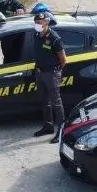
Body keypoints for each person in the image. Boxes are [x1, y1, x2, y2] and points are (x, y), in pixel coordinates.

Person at [31, 11, 67, 143]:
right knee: (44, 101)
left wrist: (56, 72)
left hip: (51, 73)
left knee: (56, 103)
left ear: (46, 22)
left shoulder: (54, 38)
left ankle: (61, 131)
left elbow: (63, 60)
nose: (37, 25)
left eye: (39, 23)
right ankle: (48, 126)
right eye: (35, 22)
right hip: (40, 72)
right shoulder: (36, 35)